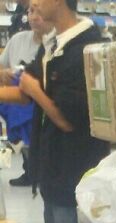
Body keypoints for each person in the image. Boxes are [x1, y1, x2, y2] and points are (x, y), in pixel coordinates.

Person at [16, 0, 109, 223]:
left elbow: (67, 120)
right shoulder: (55, 44)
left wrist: (34, 90)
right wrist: (27, 86)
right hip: (53, 173)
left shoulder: (86, 48)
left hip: (73, 174)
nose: (33, 6)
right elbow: (23, 88)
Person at [0, 1, 53, 187]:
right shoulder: (17, 40)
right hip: (17, 99)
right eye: (30, 12)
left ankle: (38, 169)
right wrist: (4, 74)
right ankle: (29, 169)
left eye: (37, 12)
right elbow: (2, 66)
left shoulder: (55, 45)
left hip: (42, 104)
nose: (33, 17)